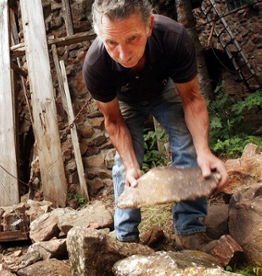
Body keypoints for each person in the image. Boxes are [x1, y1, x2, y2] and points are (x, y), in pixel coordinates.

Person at [83, 0, 229, 252]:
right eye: (111, 43)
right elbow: (115, 122)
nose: (123, 54)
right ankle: (126, 239)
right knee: (125, 166)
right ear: (100, 35)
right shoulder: (95, 64)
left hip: (164, 89)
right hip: (125, 101)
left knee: (188, 142)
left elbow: (192, 99)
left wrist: (204, 151)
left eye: (132, 39)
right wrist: (131, 166)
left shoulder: (172, 37)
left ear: (149, 25)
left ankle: (190, 229)